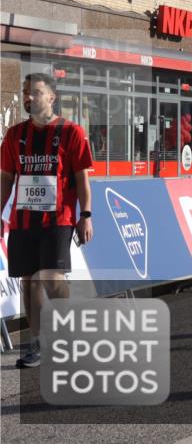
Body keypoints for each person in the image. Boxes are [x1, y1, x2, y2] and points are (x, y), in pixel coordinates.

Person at [0, 73, 94, 369]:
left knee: (50, 278)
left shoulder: (72, 133)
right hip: (23, 221)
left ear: (51, 97)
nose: (29, 97)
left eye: (36, 92)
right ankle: (39, 344)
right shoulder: (14, 135)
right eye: (25, 92)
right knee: (29, 282)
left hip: (58, 219)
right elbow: (5, 180)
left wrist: (86, 215)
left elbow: (82, 179)